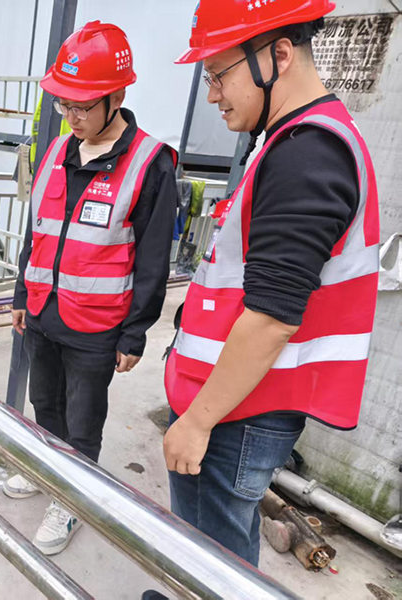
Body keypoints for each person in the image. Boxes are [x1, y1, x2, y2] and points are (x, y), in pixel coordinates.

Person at [165, 0, 380, 566]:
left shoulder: (307, 155)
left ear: (278, 55)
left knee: (214, 558)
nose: (213, 95)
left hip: (236, 416)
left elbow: (271, 318)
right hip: (237, 404)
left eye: (218, 75)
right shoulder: (292, 142)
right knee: (207, 546)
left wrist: (197, 422)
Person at [7, 21, 178, 556]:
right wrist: (21, 295)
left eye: (82, 106)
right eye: (64, 104)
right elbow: (37, 232)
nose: (71, 116)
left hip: (97, 325)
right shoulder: (58, 150)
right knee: (45, 403)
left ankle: (74, 499)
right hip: (43, 310)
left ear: (117, 97)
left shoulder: (150, 162)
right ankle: (48, 469)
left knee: (83, 419)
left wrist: (135, 333)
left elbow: (153, 258)